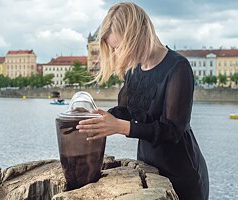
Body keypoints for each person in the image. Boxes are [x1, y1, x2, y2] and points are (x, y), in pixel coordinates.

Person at [76, 2, 209, 200]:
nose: (117, 54)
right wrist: (98, 118)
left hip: (181, 174)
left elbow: (171, 130)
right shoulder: (133, 69)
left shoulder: (178, 67)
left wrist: (120, 127)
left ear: (136, 35)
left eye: (119, 47)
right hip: (148, 171)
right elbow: (126, 111)